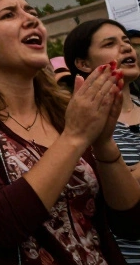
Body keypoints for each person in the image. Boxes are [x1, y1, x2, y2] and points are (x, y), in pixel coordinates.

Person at [0, 0, 140, 265]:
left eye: (31, 11)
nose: (31, 19)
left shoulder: (64, 111)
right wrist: (75, 137)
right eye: (9, 15)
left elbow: (129, 224)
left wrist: (102, 143)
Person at [62, 17, 140, 263]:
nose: (126, 47)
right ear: (83, 63)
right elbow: (96, 195)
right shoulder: (80, 125)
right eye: (110, 43)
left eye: (126, 41)